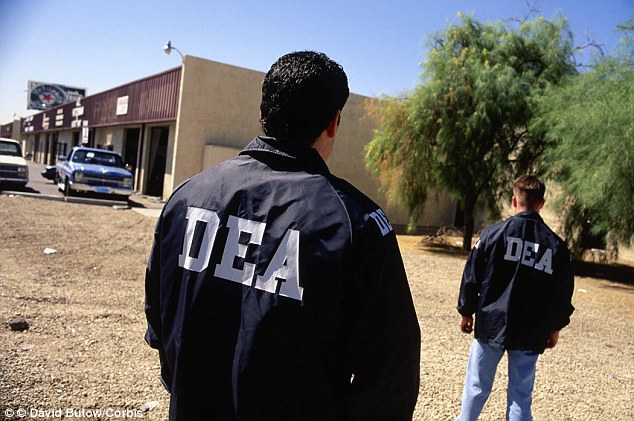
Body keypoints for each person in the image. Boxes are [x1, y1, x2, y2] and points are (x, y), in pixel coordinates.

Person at [144, 51, 421, 421]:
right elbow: (391, 376)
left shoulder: (187, 197)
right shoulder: (356, 223)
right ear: (334, 122)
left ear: (263, 112)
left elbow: (160, 319)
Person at [455, 175, 575, 421]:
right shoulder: (555, 246)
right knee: (521, 393)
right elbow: (563, 292)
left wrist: (466, 311)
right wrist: (555, 327)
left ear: (514, 200)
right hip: (531, 329)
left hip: (491, 323)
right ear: (541, 203)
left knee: (476, 386)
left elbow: (472, 275)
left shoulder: (493, 234)